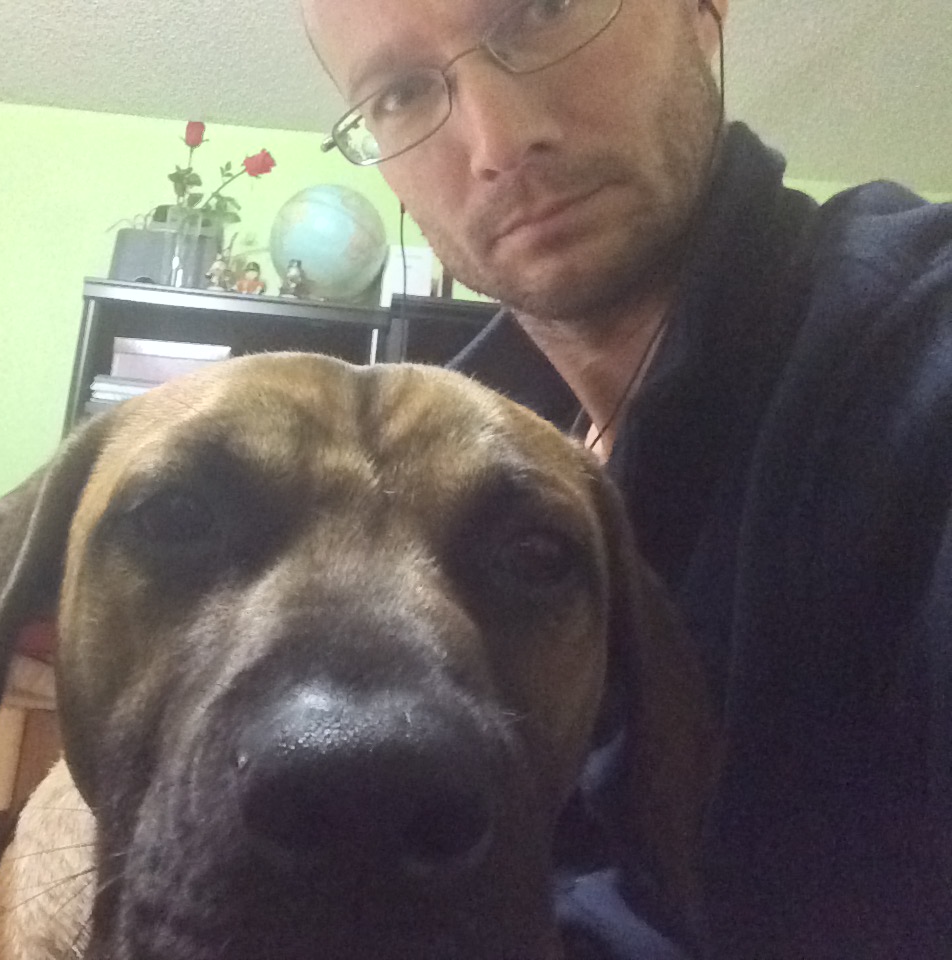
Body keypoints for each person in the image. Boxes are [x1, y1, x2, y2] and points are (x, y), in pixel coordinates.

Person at [302, 0, 952, 956]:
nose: (499, 142)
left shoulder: (915, 359)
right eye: (399, 93)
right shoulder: (436, 466)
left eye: (540, 12)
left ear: (701, 12)